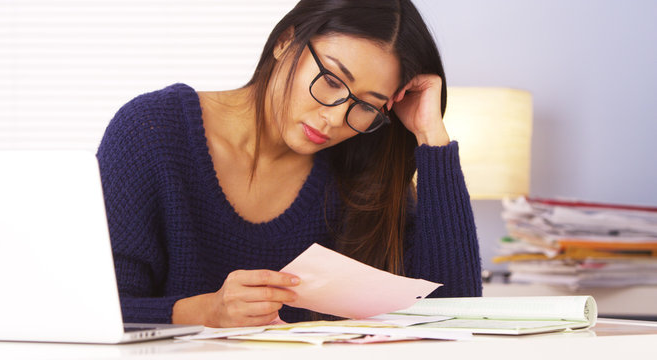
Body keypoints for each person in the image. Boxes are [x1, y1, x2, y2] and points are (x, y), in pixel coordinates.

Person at [97, 0, 482, 328]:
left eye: (365, 106)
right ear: (286, 41)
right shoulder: (152, 132)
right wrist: (206, 311)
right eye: (331, 81)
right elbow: (92, 312)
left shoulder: (361, 174)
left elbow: (456, 317)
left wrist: (431, 136)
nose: (334, 117)